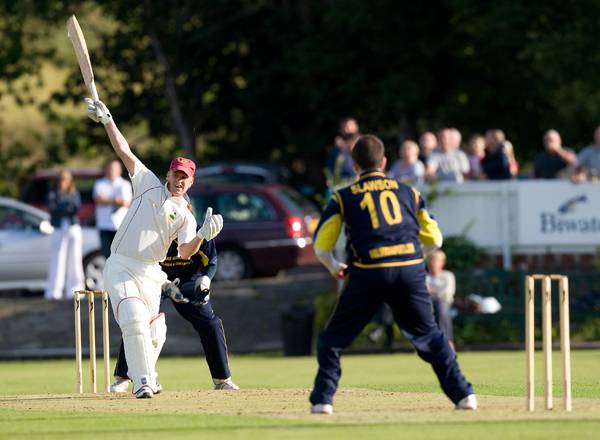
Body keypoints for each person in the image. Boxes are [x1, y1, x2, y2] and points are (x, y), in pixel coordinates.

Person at [309, 134, 476, 415]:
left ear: (354, 164)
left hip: (368, 272)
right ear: (384, 162)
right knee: (431, 336)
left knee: (332, 340)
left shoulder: (343, 196)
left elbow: (321, 247)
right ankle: (464, 395)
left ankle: (323, 400)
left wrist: (335, 267)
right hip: (410, 272)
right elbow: (435, 239)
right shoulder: (410, 192)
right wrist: (412, 258)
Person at [85, 98, 224, 398]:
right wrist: (107, 119)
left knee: (155, 331)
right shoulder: (147, 181)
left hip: (150, 272)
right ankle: (142, 382)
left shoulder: (186, 215)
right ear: (168, 174)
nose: (179, 181)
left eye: (185, 178)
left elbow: (185, 252)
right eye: (176, 175)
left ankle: (148, 377)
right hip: (121, 264)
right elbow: (123, 150)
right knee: (133, 318)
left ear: (191, 182)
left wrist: (201, 234)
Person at [110, 236, 239, 392]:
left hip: (188, 280)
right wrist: (164, 284)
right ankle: (123, 378)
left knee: (210, 323)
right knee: (138, 320)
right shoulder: (155, 231)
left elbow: (211, 261)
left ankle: (222, 379)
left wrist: (205, 279)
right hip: (154, 279)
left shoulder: (198, 231)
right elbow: (142, 262)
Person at [44, 170, 85, 300]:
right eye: (61, 179)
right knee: (57, 259)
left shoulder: (74, 193)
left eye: (66, 179)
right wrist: (65, 206)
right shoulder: (52, 194)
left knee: (75, 259)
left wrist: (61, 207)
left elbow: (75, 208)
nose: (63, 181)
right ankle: (54, 290)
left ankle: (75, 289)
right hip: (58, 228)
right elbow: (54, 209)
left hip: (73, 228)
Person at [93, 159, 133, 260]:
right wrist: (116, 200)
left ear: (120, 170)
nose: (111, 171)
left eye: (114, 169)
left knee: (120, 257)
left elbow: (125, 202)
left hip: (121, 227)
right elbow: (98, 200)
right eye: (110, 168)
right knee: (106, 257)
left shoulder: (124, 184)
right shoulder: (99, 183)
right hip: (104, 225)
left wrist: (106, 199)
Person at [426, 250, 456, 348]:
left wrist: (433, 291)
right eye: (432, 260)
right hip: (428, 304)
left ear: (442, 262)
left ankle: (447, 340)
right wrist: (436, 290)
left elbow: (447, 293)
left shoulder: (448, 276)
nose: (433, 263)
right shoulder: (425, 277)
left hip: (444, 303)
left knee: (441, 309)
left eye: (436, 260)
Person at [324, 117, 360, 190]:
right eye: (344, 127)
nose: (346, 129)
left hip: (353, 181)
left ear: (356, 127)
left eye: (348, 126)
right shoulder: (338, 143)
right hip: (336, 182)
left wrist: (344, 146)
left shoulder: (360, 141)